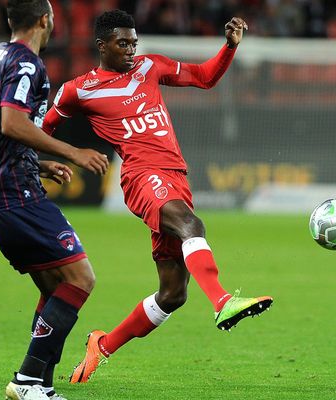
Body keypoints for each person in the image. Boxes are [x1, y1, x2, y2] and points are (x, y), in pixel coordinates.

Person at [42, 10, 274, 384]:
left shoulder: (151, 67)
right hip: (141, 175)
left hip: (175, 177)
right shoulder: (78, 90)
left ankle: (102, 345)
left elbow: (204, 77)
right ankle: (222, 300)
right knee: (191, 225)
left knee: (172, 294)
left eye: (134, 42)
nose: (132, 49)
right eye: (123, 43)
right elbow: (43, 127)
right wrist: (47, 161)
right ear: (102, 45)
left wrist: (229, 48)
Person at [0, 1, 109, 399]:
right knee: (81, 278)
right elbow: (12, 123)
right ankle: (27, 379)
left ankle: (40, 382)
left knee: (54, 285)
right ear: (45, 20)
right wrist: (72, 152)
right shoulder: (27, 64)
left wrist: (37, 163)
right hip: (14, 191)